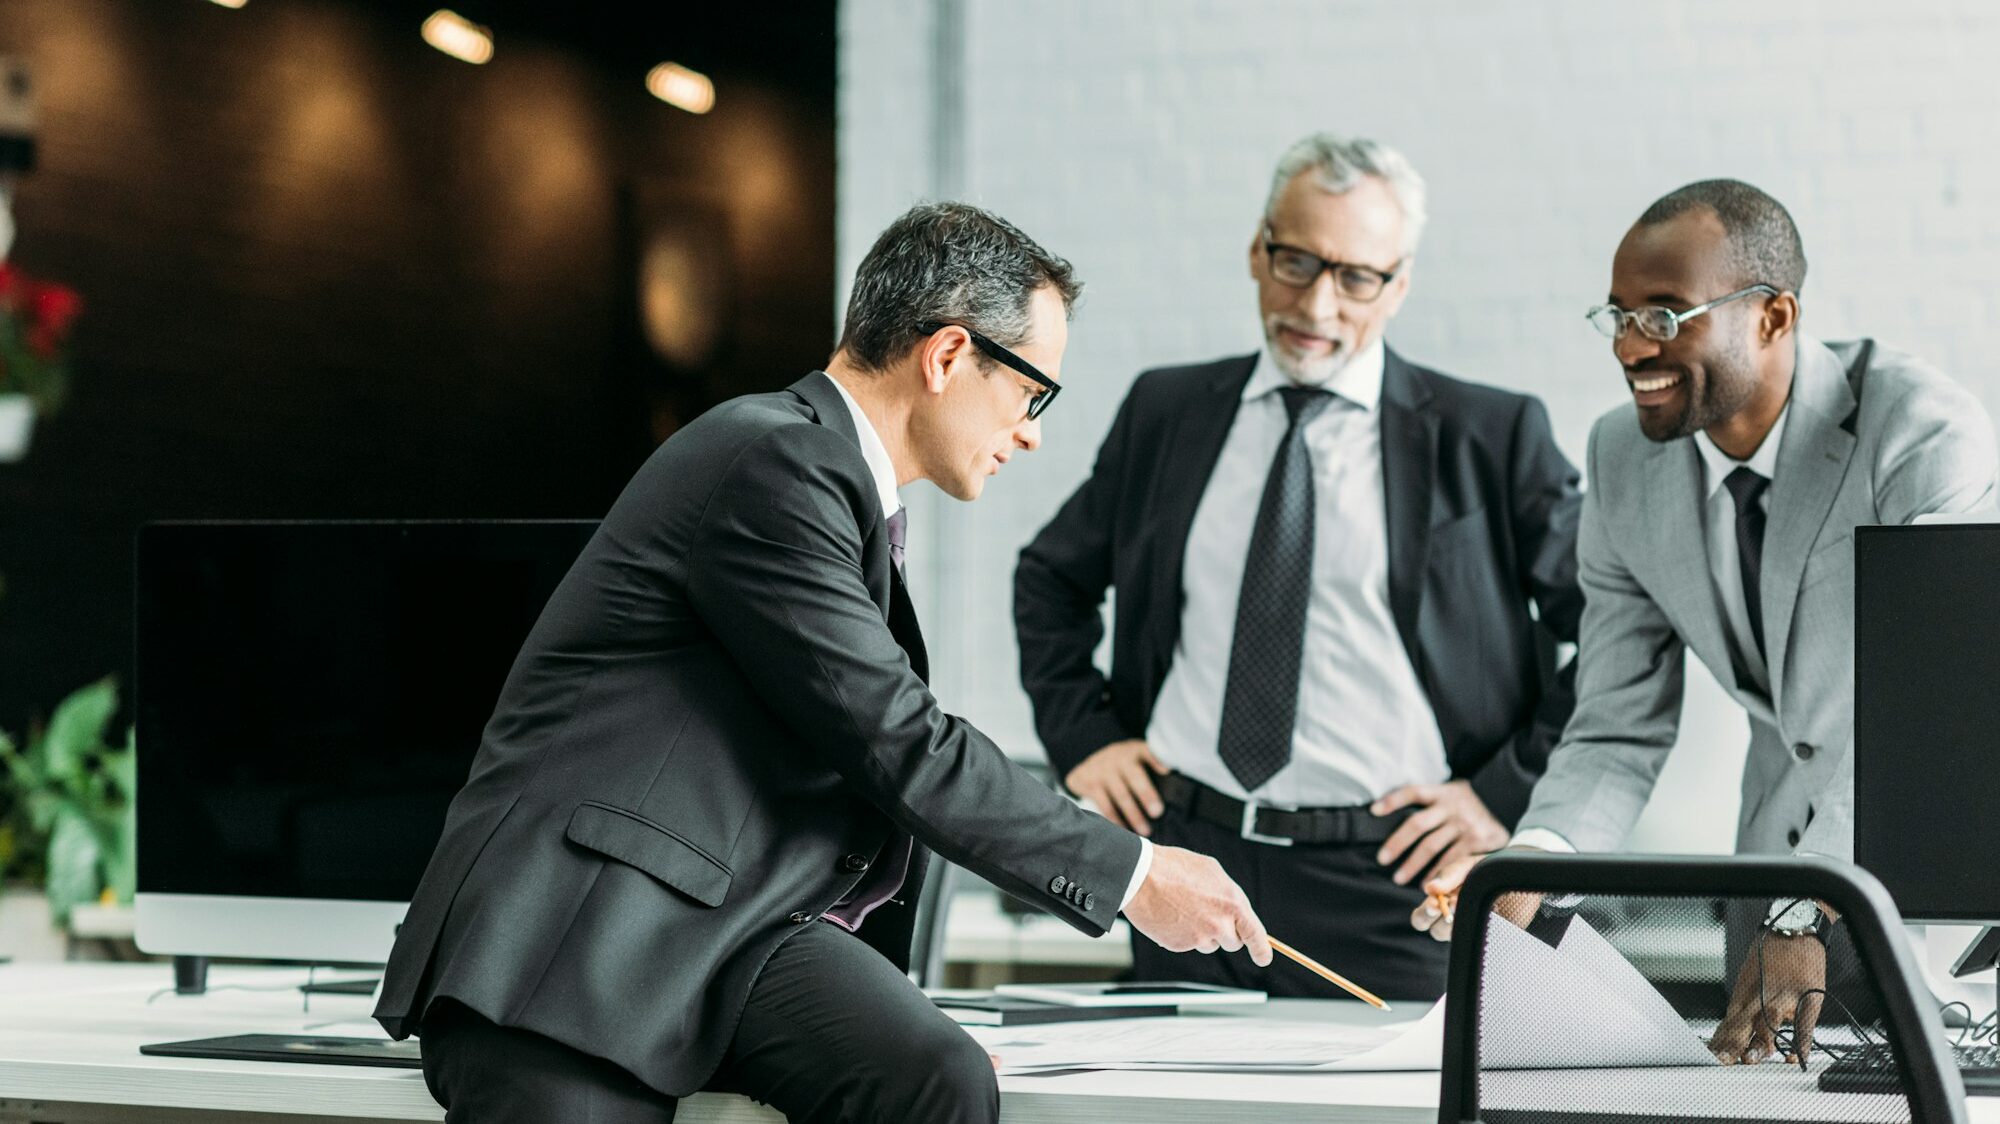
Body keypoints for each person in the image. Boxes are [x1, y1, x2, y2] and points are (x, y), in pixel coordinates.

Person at [373, 202, 1273, 1124]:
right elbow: (894, 737)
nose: (1032, 431)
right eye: (1033, 392)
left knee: (932, 1072)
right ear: (949, 355)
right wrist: (1135, 873)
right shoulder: (775, 459)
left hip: (727, 927)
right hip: (585, 936)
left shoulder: (830, 487)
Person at [1415, 178, 2000, 1063]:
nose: (1628, 346)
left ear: (1772, 316)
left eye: (1662, 315)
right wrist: (1527, 866)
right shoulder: (1620, 458)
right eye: (1615, 317)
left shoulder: (1920, 431)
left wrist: (1806, 905)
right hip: (1768, 870)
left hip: (1925, 873)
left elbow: (1935, 713)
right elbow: (1616, 721)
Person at [1014, 133, 1583, 1002]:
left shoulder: (1490, 436)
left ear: (1399, 287)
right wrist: (1082, 739)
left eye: (1357, 276)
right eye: (1296, 261)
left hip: (1396, 884)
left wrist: (1505, 793)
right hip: (1188, 867)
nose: (1317, 303)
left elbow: (1618, 636)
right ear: (1257, 248)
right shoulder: (1167, 412)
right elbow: (1050, 578)